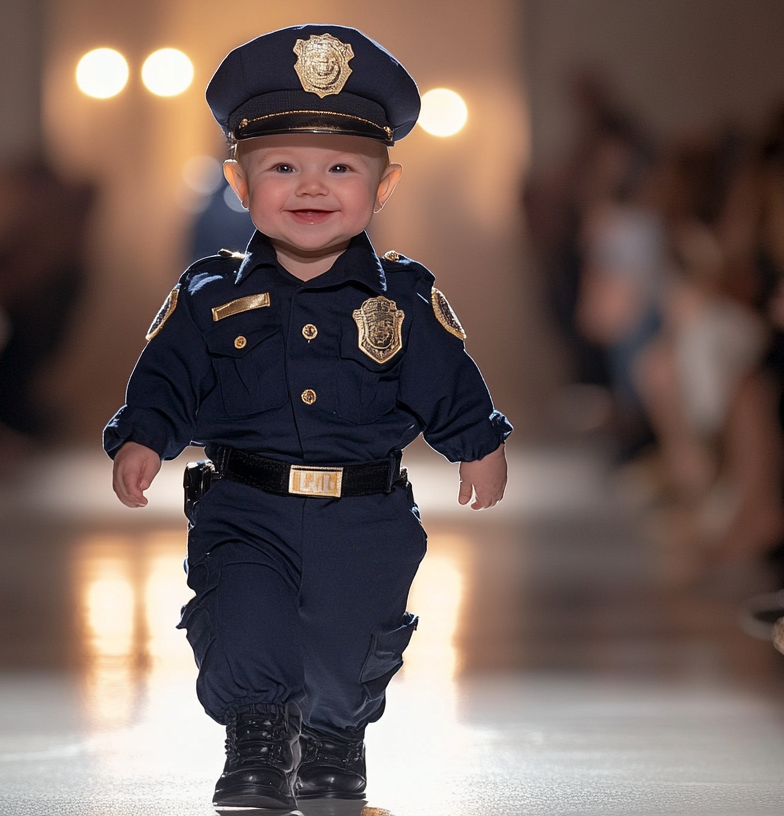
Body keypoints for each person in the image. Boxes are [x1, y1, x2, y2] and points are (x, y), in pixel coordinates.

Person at [103, 25, 511, 809]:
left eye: (341, 169)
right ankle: (256, 746)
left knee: (351, 639)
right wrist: (146, 436)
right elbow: (168, 377)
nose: (312, 187)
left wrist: (477, 443)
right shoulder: (210, 296)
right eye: (282, 167)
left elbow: (447, 379)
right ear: (240, 181)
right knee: (246, 619)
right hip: (246, 507)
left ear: (384, 186)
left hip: (366, 515)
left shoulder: (402, 299)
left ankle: (334, 739)